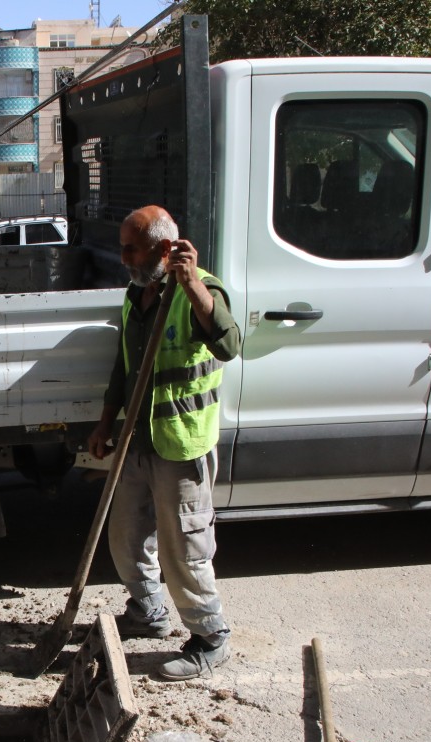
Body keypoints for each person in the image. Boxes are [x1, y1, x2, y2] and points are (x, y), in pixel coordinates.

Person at [86, 205, 242, 680]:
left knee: (184, 549)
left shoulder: (201, 289)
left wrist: (191, 284)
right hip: (137, 439)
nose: (123, 258)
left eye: (131, 249)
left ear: (164, 248)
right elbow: (124, 365)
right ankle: (148, 610)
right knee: (125, 536)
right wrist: (106, 422)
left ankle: (210, 637)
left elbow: (229, 345)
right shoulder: (137, 294)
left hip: (180, 443)